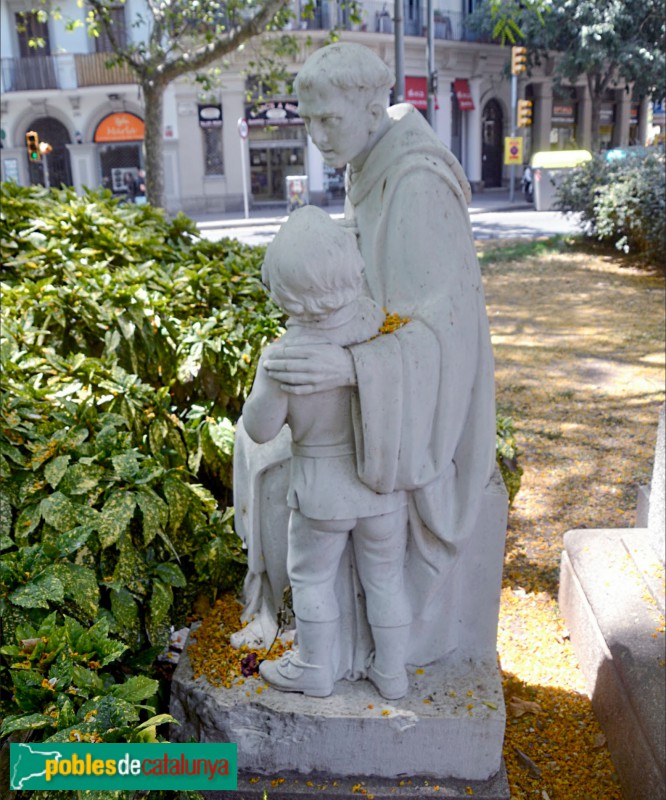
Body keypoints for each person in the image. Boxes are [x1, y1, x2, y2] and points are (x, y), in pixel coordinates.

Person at [233, 42, 498, 677]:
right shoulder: (370, 163)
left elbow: (446, 336)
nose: (318, 136)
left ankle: (323, 660)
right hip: (375, 418)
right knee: (264, 460)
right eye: (309, 120)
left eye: (330, 121)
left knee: (271, 466)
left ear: (371, 106)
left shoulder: (416, 186)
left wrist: (352, 369)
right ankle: (389, 666)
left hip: (416, 412)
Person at [242, 205, 411, 699]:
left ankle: (315, 667)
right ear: (351, 267)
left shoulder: (284, 358)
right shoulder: (376, 325)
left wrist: (267, 378)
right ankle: (393, 673)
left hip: (322, 492)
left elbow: (259, 427)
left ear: (283, 290)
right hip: (381, 485)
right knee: (385, 579)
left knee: (312, 577)